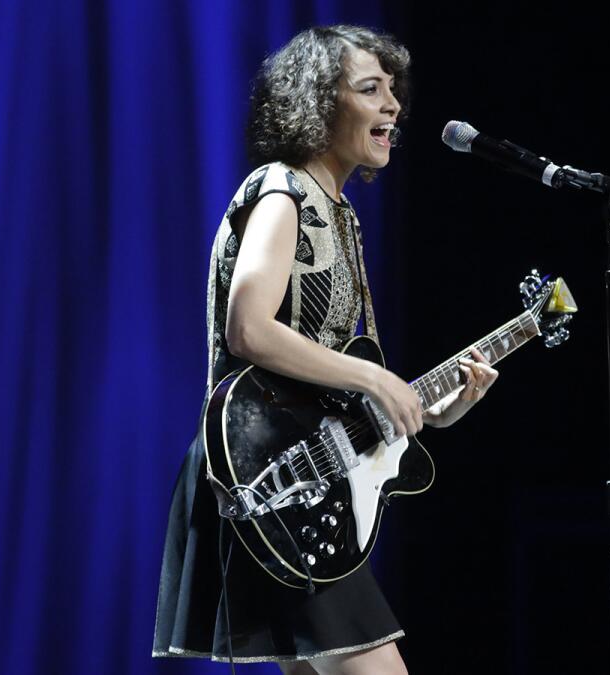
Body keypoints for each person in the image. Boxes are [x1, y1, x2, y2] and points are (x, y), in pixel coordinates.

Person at [152, 25, 498, 675]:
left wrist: (428, 409)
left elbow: (323, 386)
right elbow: (248, 328)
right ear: (317, 104)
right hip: (266, 475)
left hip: (300, 479)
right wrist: (374, 377)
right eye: (370, 89)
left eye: (394, 89)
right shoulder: (283, 194)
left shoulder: (337, 213)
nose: (393, 104)